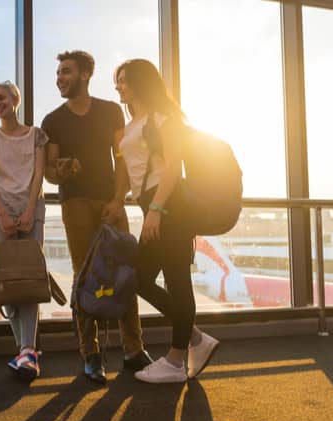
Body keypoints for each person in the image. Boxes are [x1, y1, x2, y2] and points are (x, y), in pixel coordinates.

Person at [41, 50, 152, 384]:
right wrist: (60, 170)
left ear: (85, 75)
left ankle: (133, 350)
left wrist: (119, 199)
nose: (60, 78)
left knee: (125, 271)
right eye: (58, 73)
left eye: (66, 72)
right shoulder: (52, 120)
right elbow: (49, 172)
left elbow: (121, 159)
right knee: (84, 275)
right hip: (74, 202)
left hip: (110, 201)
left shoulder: (110, 111)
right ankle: (90, 354)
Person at [113, 58, 219, 383]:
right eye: (116, 81)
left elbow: (174, 167)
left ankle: (176, 360)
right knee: (143, 279)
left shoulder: (165, 119)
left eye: (124, 80)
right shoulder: (130, 127)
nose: (118, 86)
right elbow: (127, 168)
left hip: (168, 205)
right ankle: (196, 339)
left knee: (170, 280)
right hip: (152, 206)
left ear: (141, 83)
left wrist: (157, 210)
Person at [0, 81, 48, 382]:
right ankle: (25, 350)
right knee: (10, 281)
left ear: (15, 99)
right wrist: (4, 213)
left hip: (32, 212)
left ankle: (28, 350)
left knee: (30, 281)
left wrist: (30, 210)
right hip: (1, 215)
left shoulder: (37, 135)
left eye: (2, 98)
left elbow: (38, 176)